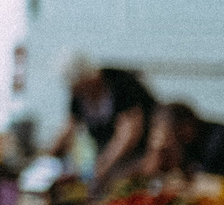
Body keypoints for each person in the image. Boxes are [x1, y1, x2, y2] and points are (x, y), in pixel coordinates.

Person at [53, 56, 155, 187]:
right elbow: (69, 128)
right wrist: (48, 157)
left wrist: (105, 163)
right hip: (110, 156)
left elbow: (129, 132)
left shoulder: (120, 83)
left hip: (141, 154)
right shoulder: (79, 96)